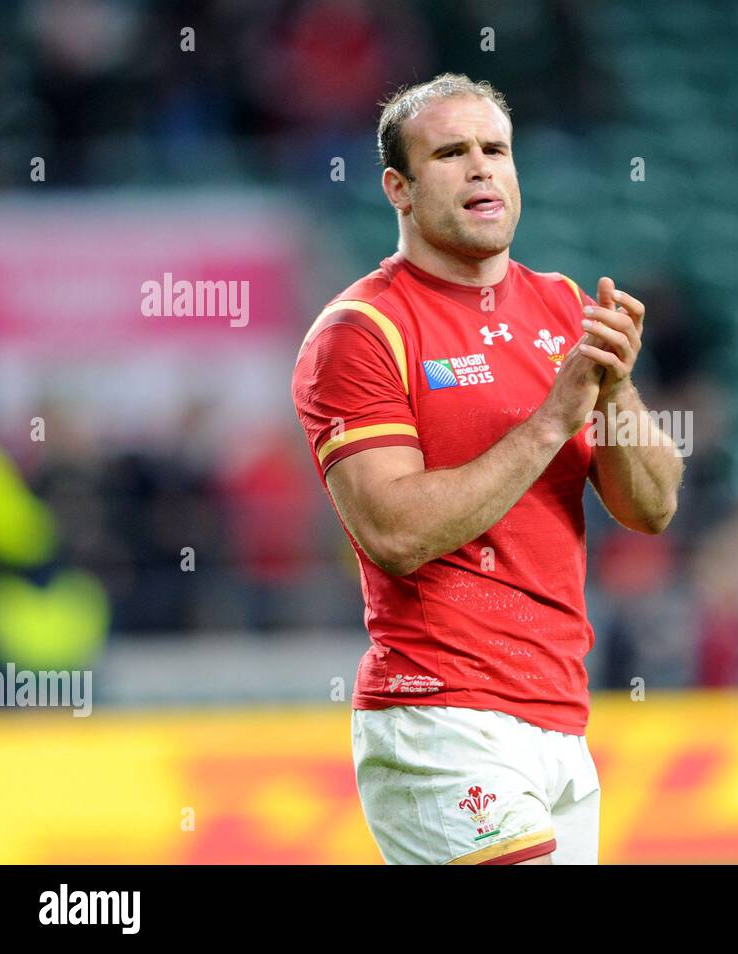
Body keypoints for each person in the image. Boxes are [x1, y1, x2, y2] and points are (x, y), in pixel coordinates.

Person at [290, 73, 684, 864]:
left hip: (561, 716)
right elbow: (395, 532)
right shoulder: (361, 330)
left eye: (495, 149)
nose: (480, 167)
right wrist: (552, 420)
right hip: (440, 713)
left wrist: (617, 385)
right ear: (397, 188)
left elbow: (653, 508)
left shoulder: (566, 306)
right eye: (451, 153)